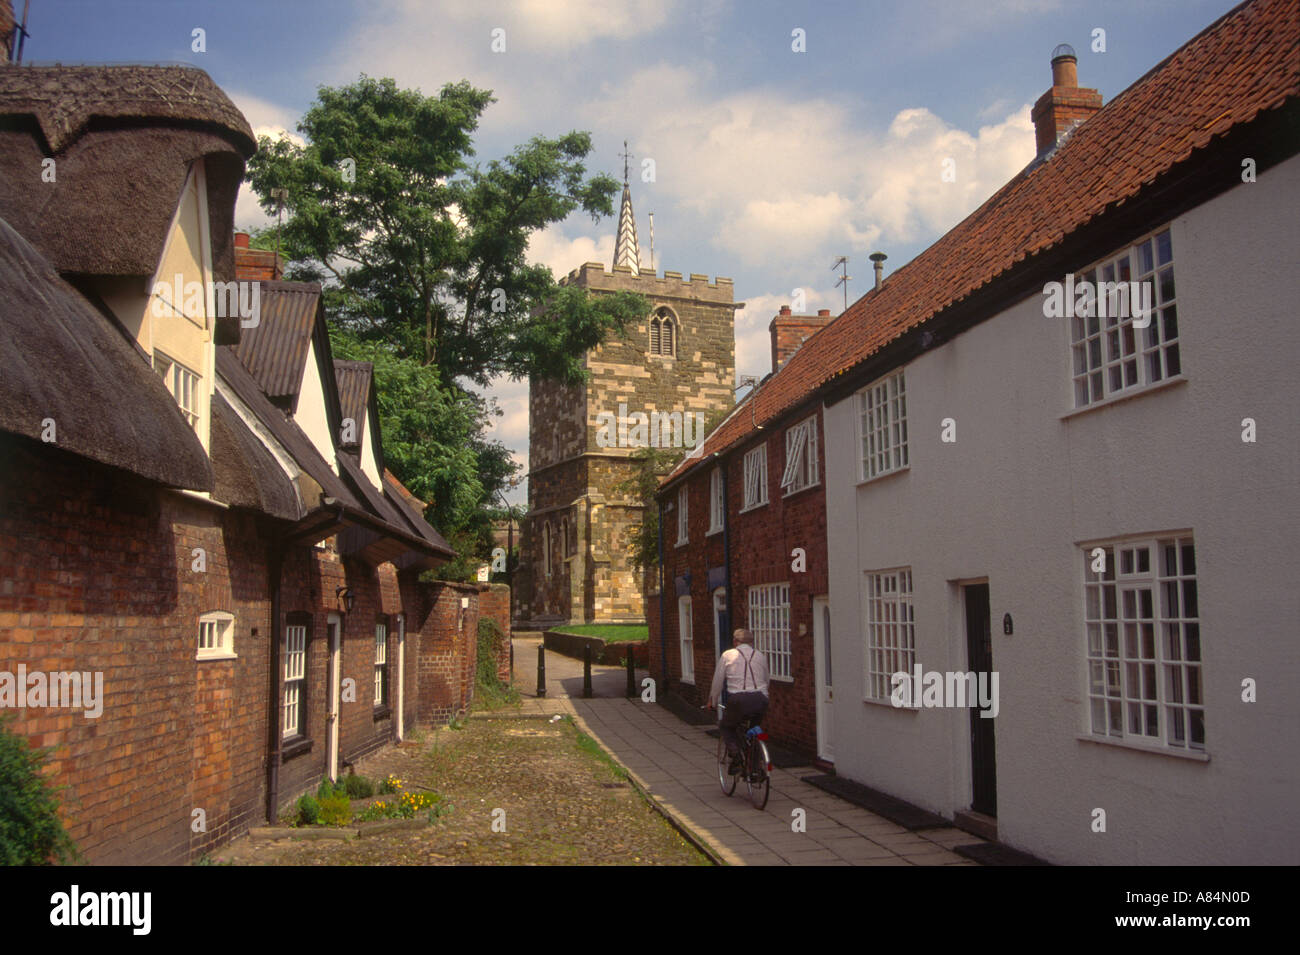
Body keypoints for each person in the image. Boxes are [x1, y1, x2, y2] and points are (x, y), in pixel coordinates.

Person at [707, 628, 770, 774]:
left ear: (735, 642)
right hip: (761, 698)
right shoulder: (760, 656)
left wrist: (712, 700)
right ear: (751, 642)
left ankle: (736, 757)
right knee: (753, 731)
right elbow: (766, 680)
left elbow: (718, 682)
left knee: (726, 726)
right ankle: (755, 768)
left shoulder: (728, 655)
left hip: (739, 700)